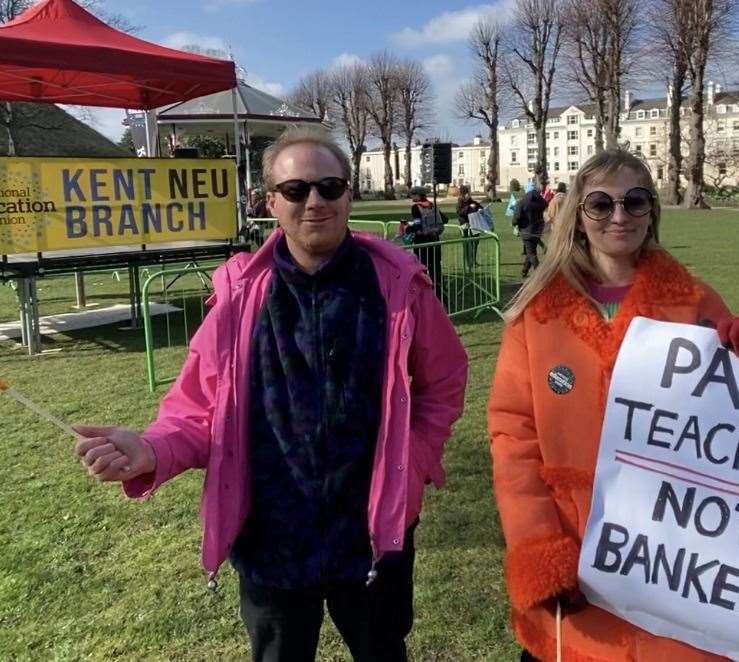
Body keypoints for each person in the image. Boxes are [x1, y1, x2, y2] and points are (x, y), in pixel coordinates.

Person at [70, 126, 469, 662]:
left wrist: (415, 458)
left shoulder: (399, 284)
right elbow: (196, 408)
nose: (315, 202)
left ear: (349, 193)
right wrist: (152, 449)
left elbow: (444, 381)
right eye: (296, 190)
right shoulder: (239, 294)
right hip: (271, 536)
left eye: (329, 187)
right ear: (270, 201)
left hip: (372, 531)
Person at [487, 149, 739, 662]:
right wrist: (537, 546)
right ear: (578, 215)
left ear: (651, 213)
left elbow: (734, 431)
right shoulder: (539, 312)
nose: (618, 216)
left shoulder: (695, 302)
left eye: (633, 202)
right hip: (574, 539)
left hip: (673, 545)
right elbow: (514, 438)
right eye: (601, 204)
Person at [409, 189, 446, 299]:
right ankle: (440, 294)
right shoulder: (432, 205)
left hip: (422, 243)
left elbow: (417, 225)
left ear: (418, 195)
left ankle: (424, 296)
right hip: (434, 241)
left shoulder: (416, 207)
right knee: (435, 269)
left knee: (422, 269)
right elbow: (445, 219)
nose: (411, 197)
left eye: (413, 195)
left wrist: (407, 227)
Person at [514, 180, 548, 278]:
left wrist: (515, 224)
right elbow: (546, 206)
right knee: (531, 251)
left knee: (531, 253)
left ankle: (540, 274)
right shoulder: (541, 201)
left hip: (526, 231)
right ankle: (524, 271)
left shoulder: (523, 201)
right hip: (538, 230)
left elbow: (516, 218)